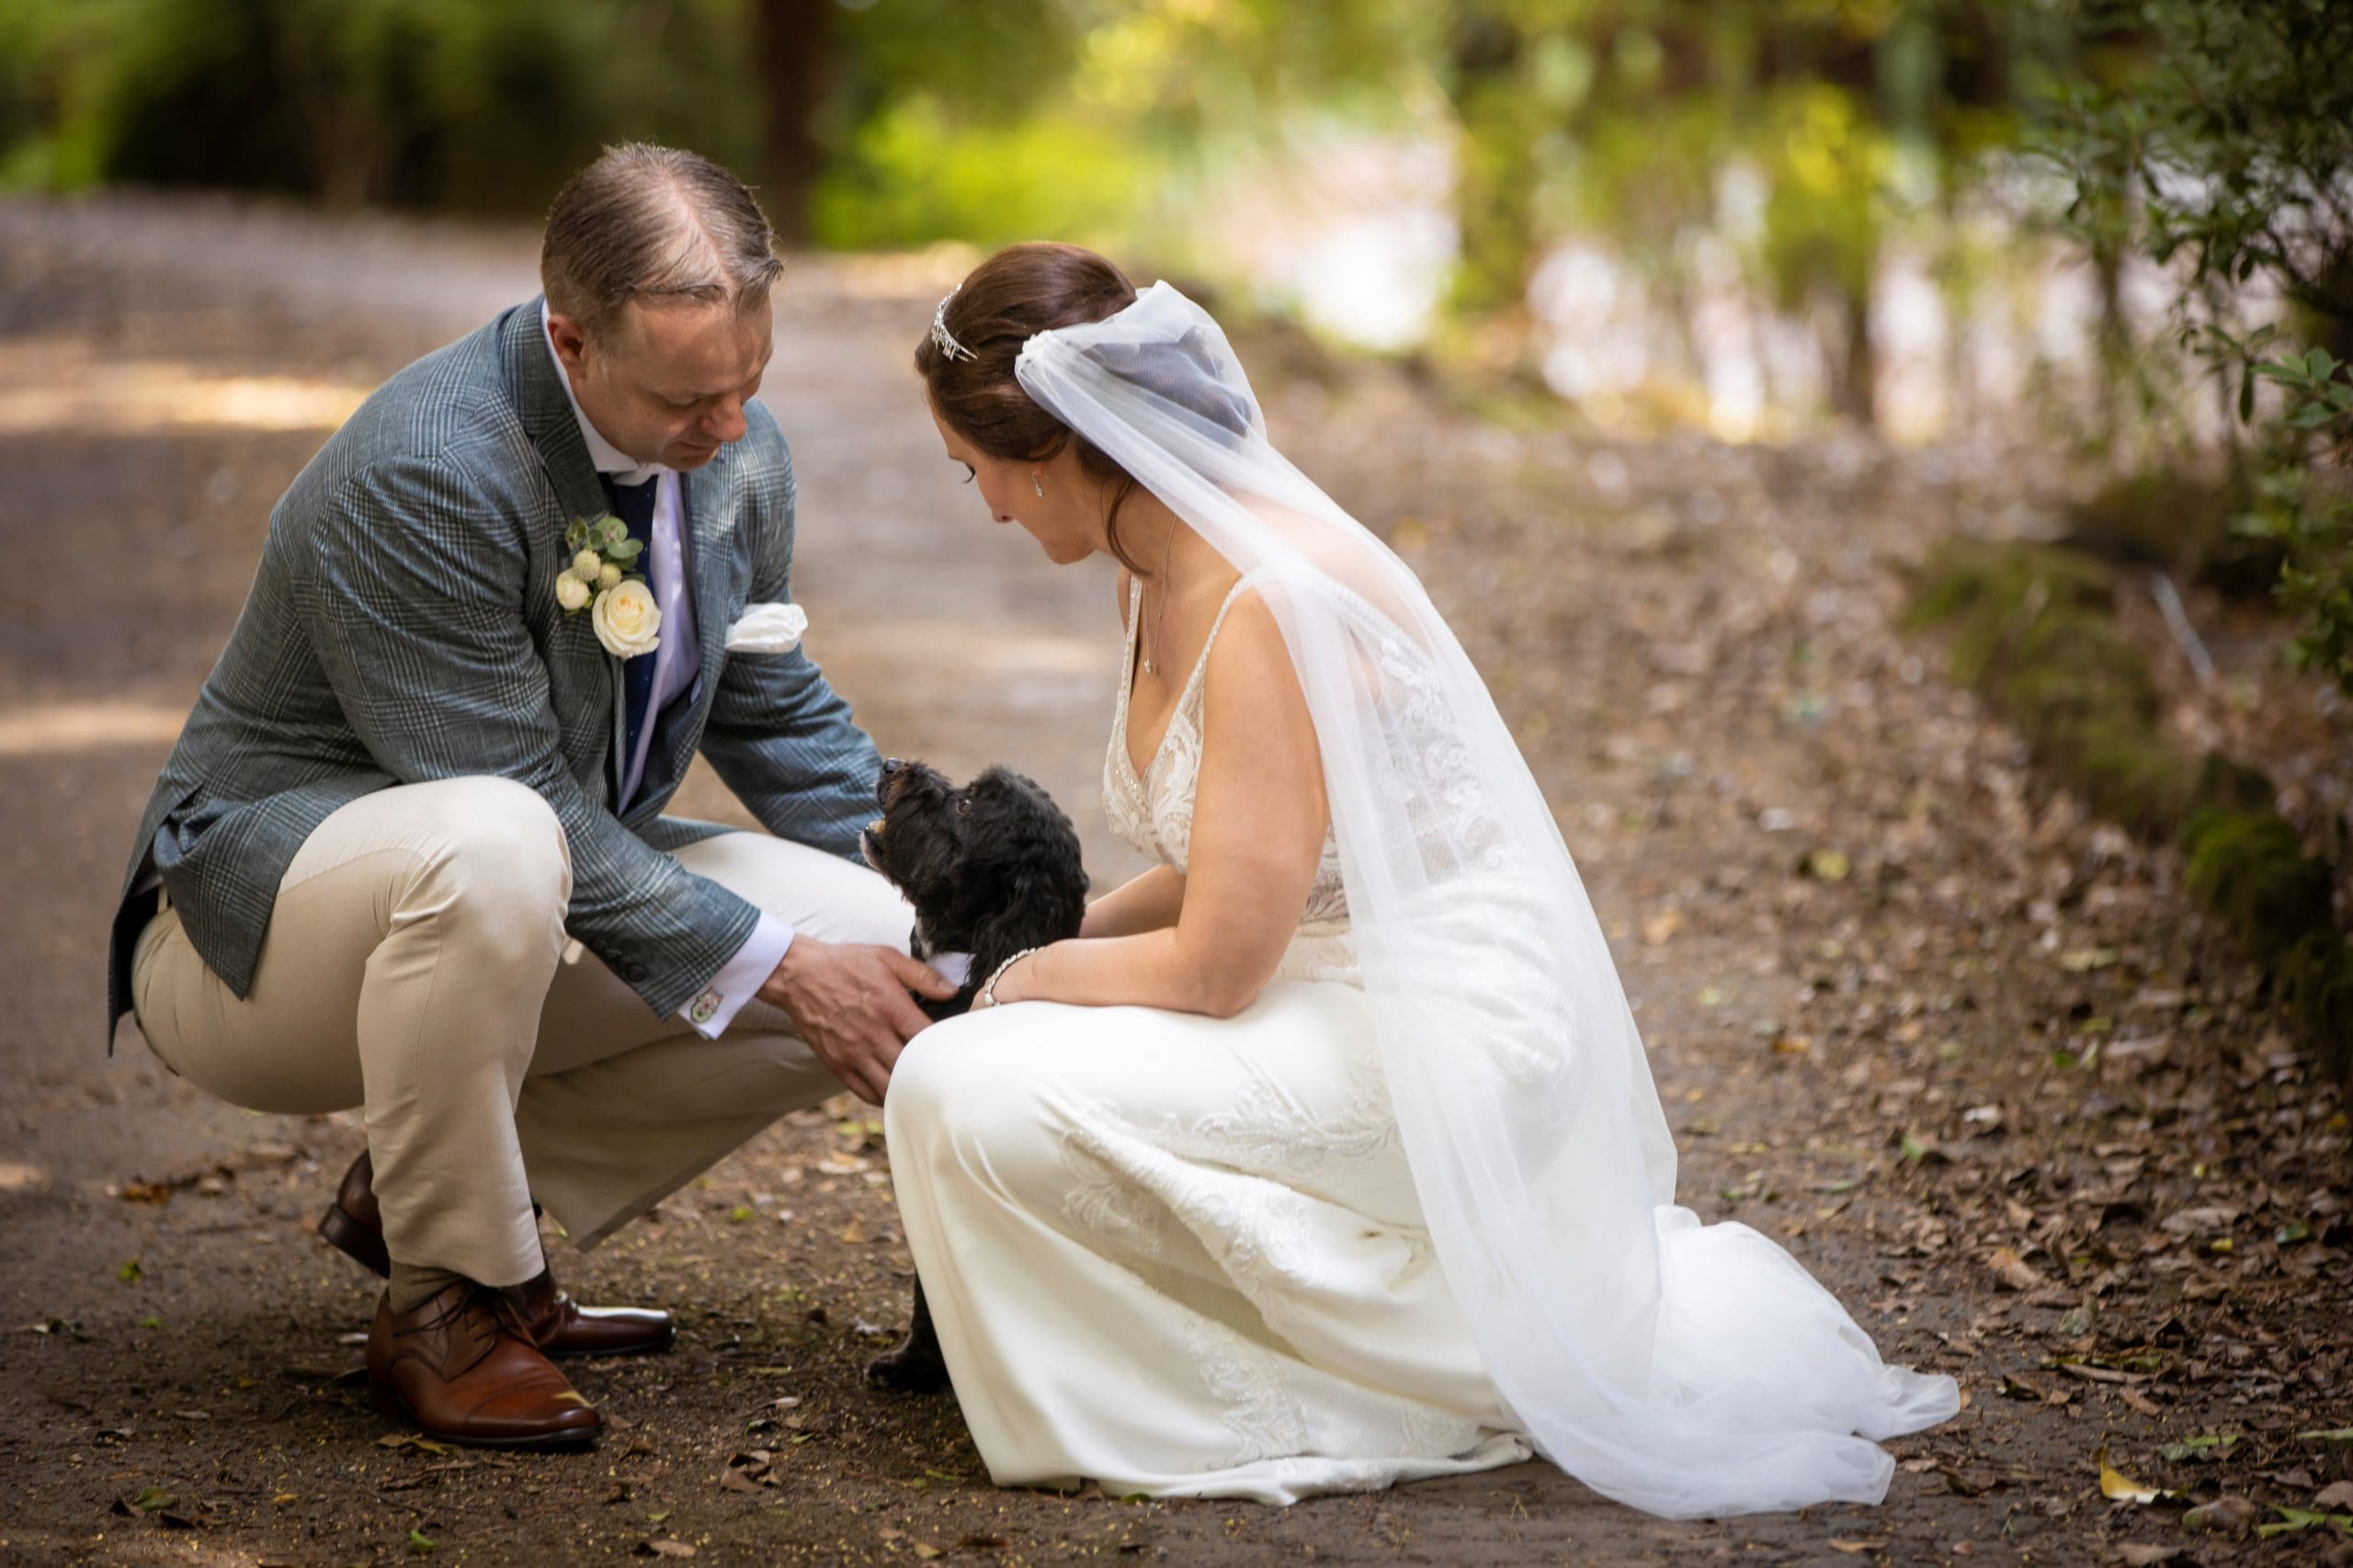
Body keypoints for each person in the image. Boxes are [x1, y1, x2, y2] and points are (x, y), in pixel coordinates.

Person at [881, 243, 1961, 1516]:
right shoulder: (1151, 557)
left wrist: (1022, 981)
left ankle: (1407, 1370)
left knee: (963, 1079)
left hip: (1450, 1022)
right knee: (958, 1075)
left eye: (980, 472)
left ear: (1054, 444)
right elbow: (1226, 866)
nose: (990, 508)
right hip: (1320, 976)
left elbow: (1221, 966)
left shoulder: (1264, 596)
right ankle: (1193, 1346)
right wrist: (1017, 958)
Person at [104, 142, 953, 1450]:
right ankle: (449, 1302)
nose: (729, 430)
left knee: (884, 954)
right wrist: (782, 967)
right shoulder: (429, 470)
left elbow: (774, 712)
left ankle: (434, 1193)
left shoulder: (734, 445)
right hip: (252, 941)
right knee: (503, 845)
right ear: (571, 338)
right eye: (689, 399)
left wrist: (968, 903)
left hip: (513, 894)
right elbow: (523, 806)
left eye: (749, 384)